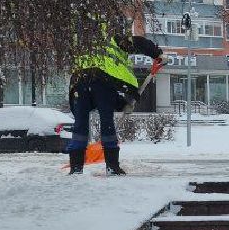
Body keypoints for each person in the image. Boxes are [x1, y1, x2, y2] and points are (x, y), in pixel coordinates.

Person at [67, 29, 162, 176]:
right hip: (101, 80)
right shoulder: (113, 40)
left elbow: (98, 94)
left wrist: (122, 104)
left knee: (80, 125)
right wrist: (157, 54)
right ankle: (112, 167)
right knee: (107, 123)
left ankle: (76, 168)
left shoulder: (80, 40)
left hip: (79, 82)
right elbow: (139, 43)